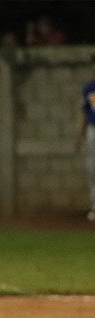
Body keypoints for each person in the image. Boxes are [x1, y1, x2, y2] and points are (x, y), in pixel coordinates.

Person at [75, 53, 95, 222]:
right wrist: (79, 136)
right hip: (93, 131)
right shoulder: (89, 88)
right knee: (92, 169)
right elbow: (84, 113)